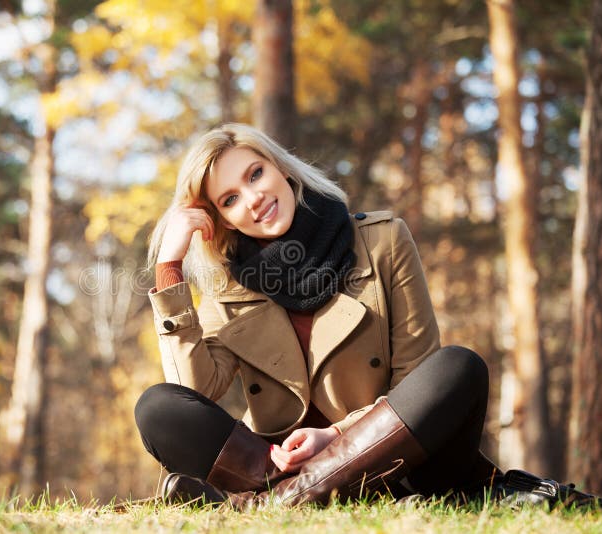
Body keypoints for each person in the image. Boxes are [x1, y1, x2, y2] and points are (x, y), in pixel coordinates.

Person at [134, 122, 500, 508]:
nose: (253, 198)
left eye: (256, 174)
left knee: (458, 367)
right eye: (230, 199)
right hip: (278, 464)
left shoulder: (383, 241)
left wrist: (337, 436)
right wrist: (169, 266)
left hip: (395, 460)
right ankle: (293, 494)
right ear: (224, 221)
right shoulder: (226, 287)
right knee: (156, 407)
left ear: (282, 169)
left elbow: (416, 377)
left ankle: (272, 503)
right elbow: (193, 394)